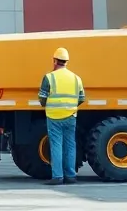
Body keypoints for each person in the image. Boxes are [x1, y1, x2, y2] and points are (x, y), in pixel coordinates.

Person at [38, 47, 85, 186]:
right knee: (70, 145)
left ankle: (57, 176)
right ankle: (71, 176)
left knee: (56, 145)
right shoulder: (76, 78)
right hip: (71, 115)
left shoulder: (49, 77)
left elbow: (42, 98)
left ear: (54, 61)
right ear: (66, 62)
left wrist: (47, 105)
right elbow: (82, 98)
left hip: (54, 117)